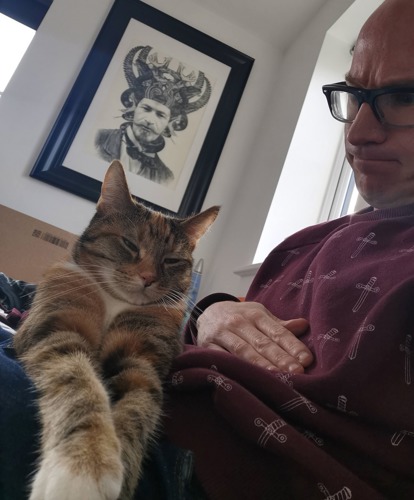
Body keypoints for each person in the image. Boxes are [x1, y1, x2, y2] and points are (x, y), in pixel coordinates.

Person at [1, 0, 414, 498]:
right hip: (151, 380)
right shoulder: (308, 240)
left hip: (193, 458)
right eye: (354, 96)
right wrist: (212, 310)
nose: (357, 132)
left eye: (403, 97)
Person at [95, 45, 211, 185]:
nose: (150, 120)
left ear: (171, 122)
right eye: (146, 108)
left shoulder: (166, 176)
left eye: (161, 115)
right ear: (134, 106)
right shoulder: (99, 139)